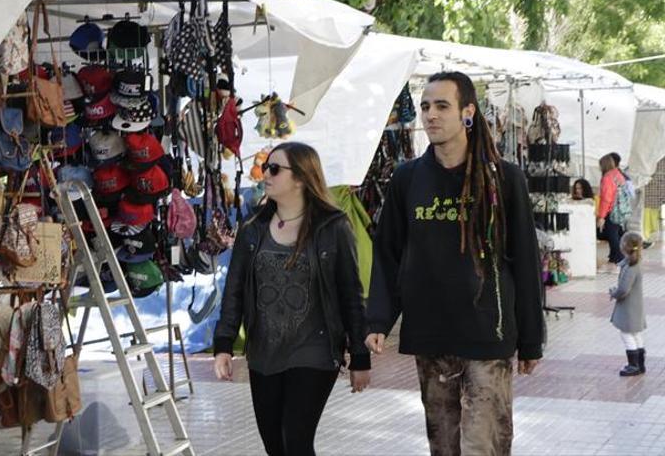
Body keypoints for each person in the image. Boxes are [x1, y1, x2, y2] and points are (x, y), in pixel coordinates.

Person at [365, 71, 545, 455]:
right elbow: (388, 253)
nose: (431, 115)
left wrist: (531, 339)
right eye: (426, 106)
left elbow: (526, 261)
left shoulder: (503, 179)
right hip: (431, 334)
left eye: (442, 106)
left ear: (467, 112)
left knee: (485, 446)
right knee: (443, 446)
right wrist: (379, 318)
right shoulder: (406, 178)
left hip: (487, 334)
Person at [213, 142, 371, 456]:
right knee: (274, 444)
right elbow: (235, 290)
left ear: (300, 177)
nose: (264, 175)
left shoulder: (333, 227)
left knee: (295, 440)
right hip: (264, 351)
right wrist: (224, 344)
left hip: (315, 349)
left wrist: (360, 355)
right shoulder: (252, 229)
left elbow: (350, 294)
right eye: (264, 168)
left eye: (274, 169)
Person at [609, 231, 647, 377]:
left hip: (629, 308)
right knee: (636, 333)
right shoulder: (635, 263)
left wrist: (614, 293)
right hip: (636, 307)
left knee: (626, 334)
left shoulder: (631, 267)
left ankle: (633, 365)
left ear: (624, 247)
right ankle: (640, 363)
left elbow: (624, 289)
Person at [597, 154, 627, 273]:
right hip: (621, 211)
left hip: (611, 211)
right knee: (616, 235)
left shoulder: (607, 177)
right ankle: (614, 261)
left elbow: (606, 198)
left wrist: (602, 216)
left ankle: (616, 262)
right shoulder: (618, 175)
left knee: (612, 236)